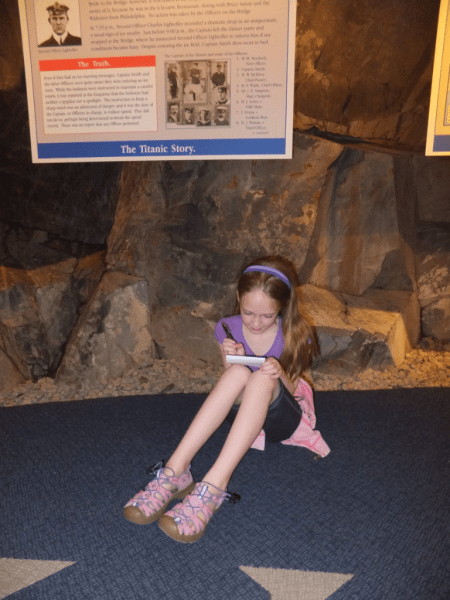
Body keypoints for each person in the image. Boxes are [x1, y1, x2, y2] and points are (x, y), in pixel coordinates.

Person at [123, 256, 320, 544]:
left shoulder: (295, 333)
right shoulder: (227, 328)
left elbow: (295, 390)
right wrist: (231, 358)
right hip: (245, 417)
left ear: (282, 307)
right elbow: (232, 384)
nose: (255, 323)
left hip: (283, 418)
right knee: (239, 371)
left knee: (263, 378)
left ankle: (214, 485)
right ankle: (176, 471)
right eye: (248, 312)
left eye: (267, 316)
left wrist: (278, 372)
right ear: (238, 298)